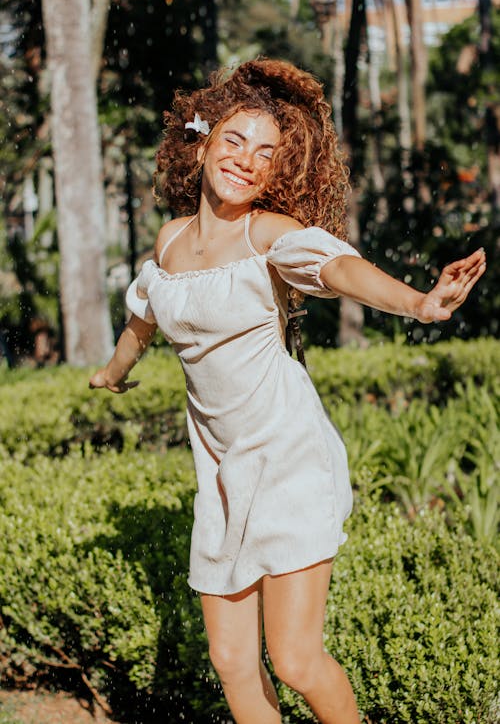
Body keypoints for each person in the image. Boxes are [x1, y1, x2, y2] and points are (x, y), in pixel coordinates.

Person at [89, 58, 486, 724]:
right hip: (220, 474)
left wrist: (419, 303)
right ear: (205, 140)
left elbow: (339, 268)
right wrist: (111, 374)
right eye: (236, 141)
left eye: (266, 155)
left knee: (296, 661)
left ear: (281, 173)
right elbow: (142, 320)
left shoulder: (266, 234)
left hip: (288, 459)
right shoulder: (169, 243)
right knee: (234, 665)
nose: (246, 161)